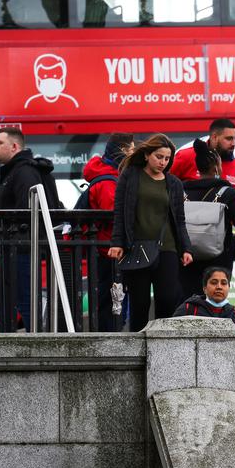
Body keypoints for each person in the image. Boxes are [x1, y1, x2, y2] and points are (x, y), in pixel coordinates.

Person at [106, 134, 193, 332]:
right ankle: (139, 347)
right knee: (140, 303)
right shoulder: (130, 176)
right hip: (137, 247)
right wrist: (117, 242)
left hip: (167, 247)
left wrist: (186, 248)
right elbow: (120, 211)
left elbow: (179, 219)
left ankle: (162, 344)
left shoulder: (174, 183)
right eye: (158, 157)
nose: (163, 162)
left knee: (167, 298)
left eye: (167, 158)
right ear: (146, 155)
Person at [0, 126, 59, 331]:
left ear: (14, 146)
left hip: (21, 248)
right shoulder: (14, 171)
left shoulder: (24, 171)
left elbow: (28, 210)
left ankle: (34, 344)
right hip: (9, 248)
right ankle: (12, 337)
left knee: (26, 302)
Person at [180, 141, 235, 299]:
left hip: (186, 256)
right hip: (219, 258)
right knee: (215, 300)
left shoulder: (180, 191)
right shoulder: (226, 192)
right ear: (216, 167)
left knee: (187, 299)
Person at [82, 132, 134, 331]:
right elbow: (115, 217)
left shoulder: (109, 175)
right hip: (110, 251)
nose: (134, 153)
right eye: (131, 149)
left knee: (112, 300)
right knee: (112, 302)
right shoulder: (108, 181)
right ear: (122, 150)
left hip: (109, 250)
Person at [169, 118, 235, 210]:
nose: (234, 143)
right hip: (187, 221)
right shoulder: (186, 156)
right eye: (229, 139)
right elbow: (166, 186)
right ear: (214, 137)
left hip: (222, 223)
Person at [172, 266, 235, 330]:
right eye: (214, 282)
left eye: (224, 283)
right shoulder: (188, 309)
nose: (219, 287)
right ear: (204, 288)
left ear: (228, 287)